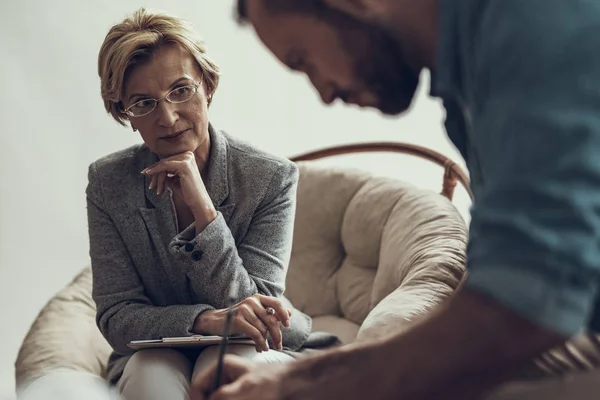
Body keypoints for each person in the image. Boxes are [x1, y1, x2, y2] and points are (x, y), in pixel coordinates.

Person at [190, 0, 600, 399]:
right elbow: (503, 277)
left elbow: (527, 297)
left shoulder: (531, 23)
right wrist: (298, 373)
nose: (324, 93)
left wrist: (297, 388)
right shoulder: (465, 88)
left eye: (303, 61)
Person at [88, 7, 315, 400]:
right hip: (153, 350)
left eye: (181, 90)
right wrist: (207, 321)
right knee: (149, 378)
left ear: (208, 86)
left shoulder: (271, 177)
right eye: (144, 103)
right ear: (125, 114)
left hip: (253, 345)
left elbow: (257, 311)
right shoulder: (108, 183)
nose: (168, 117)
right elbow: (117, 316)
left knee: (225, 371)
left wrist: (204, 211)